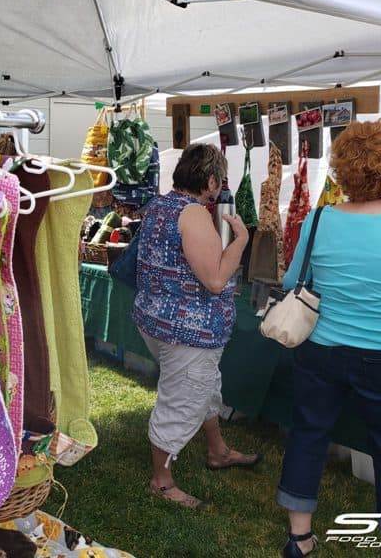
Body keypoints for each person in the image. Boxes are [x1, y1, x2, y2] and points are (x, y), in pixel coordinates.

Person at [276, 119, 381, 558]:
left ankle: (299, 538)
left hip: (322, 350)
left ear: (343, 168)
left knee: (308, 434)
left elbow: (294, 280)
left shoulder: (318, 221)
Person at [132, 142, 260, 509]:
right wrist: (241, 241)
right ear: (210, 180)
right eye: (220, 181)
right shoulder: (193, 214)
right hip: (188, 329)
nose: (221, 188)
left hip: (158, 320)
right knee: (183, 398)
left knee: (204, 386)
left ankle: (217, 450)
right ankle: (161, 480)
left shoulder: (160, 205)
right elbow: (217, 280)